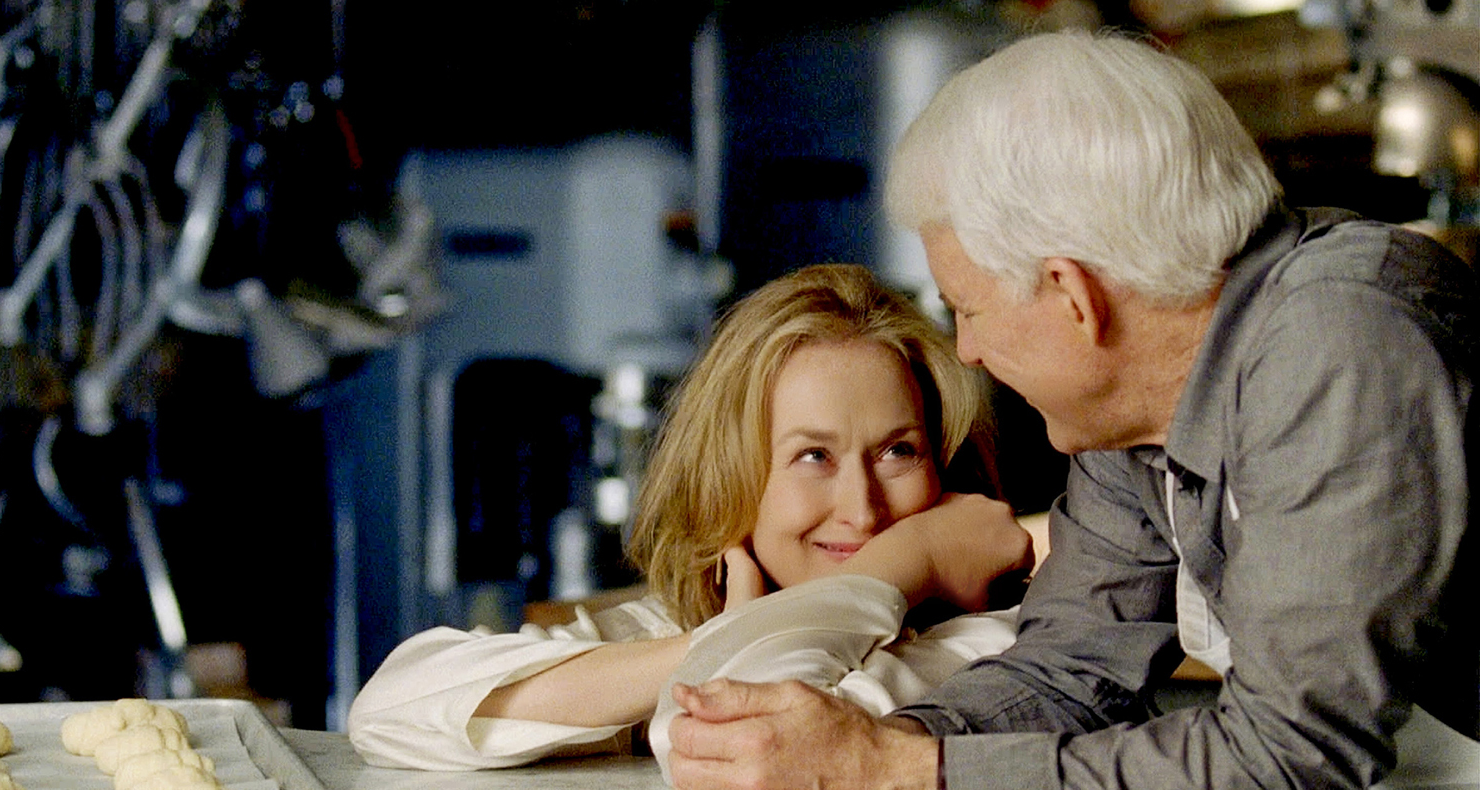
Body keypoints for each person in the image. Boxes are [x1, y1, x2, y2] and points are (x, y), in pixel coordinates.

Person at [663, 30, 1480, 790]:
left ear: (1072, 294)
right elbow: (1070, 670)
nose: (967, 351)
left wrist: (902, 769)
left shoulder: (1339, 341)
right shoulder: (1137, 407)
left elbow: (1291, 753)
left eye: (968, 309)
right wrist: (865, 746)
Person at [344, 263, 1037, 772]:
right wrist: (710, 641)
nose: (862, 509)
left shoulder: (992, 648)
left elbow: (742, 743)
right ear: (733, 477)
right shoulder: (704, 619)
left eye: (898, 451)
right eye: (813, 456)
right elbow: (391, 710)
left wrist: (907, 564)